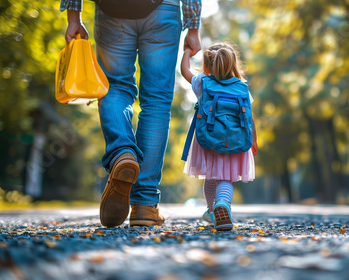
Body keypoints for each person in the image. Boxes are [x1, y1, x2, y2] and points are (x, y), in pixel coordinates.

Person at [60, 0, 202, 228]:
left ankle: (123, 153)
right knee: (156, 101)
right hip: (163, 9)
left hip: (112, 10)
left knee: (114, 87)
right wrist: (193, 27)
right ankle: (144, 204)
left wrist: (74, 17)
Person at [180, 42, 256, 231]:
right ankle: (223, 204)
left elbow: (185, 71)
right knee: (225, 179)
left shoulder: (203, 83)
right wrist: (253, 141)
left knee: (211, 177)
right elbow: (249, 118)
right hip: (235, 139)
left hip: (208, 138)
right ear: (233, 64)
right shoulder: (242, 88)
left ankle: (212, 209)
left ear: (208, 64)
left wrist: (187, 52)